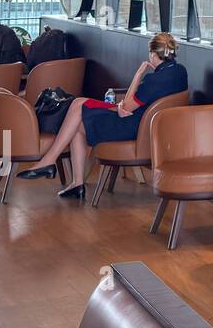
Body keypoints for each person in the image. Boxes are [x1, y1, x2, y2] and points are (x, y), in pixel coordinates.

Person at [18, 31, 188, 201]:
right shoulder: (180, 72)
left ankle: (50, 162)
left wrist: (138, 74)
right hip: (149, 126)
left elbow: (128, 106)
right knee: (77, 114)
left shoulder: (155, 80)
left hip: (133, 126)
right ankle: (76, 183)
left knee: (77, 107)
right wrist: (122, 106)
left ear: (152, 54)